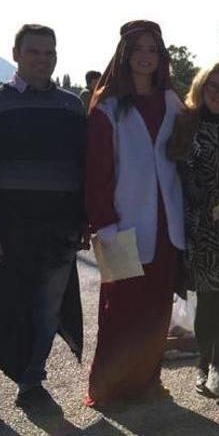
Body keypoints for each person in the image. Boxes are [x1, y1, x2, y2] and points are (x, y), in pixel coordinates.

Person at [84, 20, 185, 407]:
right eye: (139, 49)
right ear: (125, 55)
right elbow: (97, 172)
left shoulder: (173, 102)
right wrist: (104, 224)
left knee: (157, 308)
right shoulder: (108, 106)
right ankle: (111, 388)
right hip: (121, 225)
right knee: (120, 308)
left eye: (153, 50)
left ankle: (147, 380)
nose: (146, 57)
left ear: (161, 57)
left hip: (166, 224)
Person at [0, 24, 87, 408]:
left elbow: (84, 164)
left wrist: (84, 219)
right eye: (34, 52)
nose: (43, 59)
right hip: (9, 227)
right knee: (8, 305)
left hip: (59, 228)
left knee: (47, 310)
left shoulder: (71, 104)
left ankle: (31, 384)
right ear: (16, 54)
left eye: (50, 52)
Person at [166, 61, 219, 397]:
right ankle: (204, 365)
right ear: (201, 89)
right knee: (211, 299)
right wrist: (204, 206)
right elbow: (176, 174)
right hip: (203, 228)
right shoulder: (186, 125)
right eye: (212, 86)